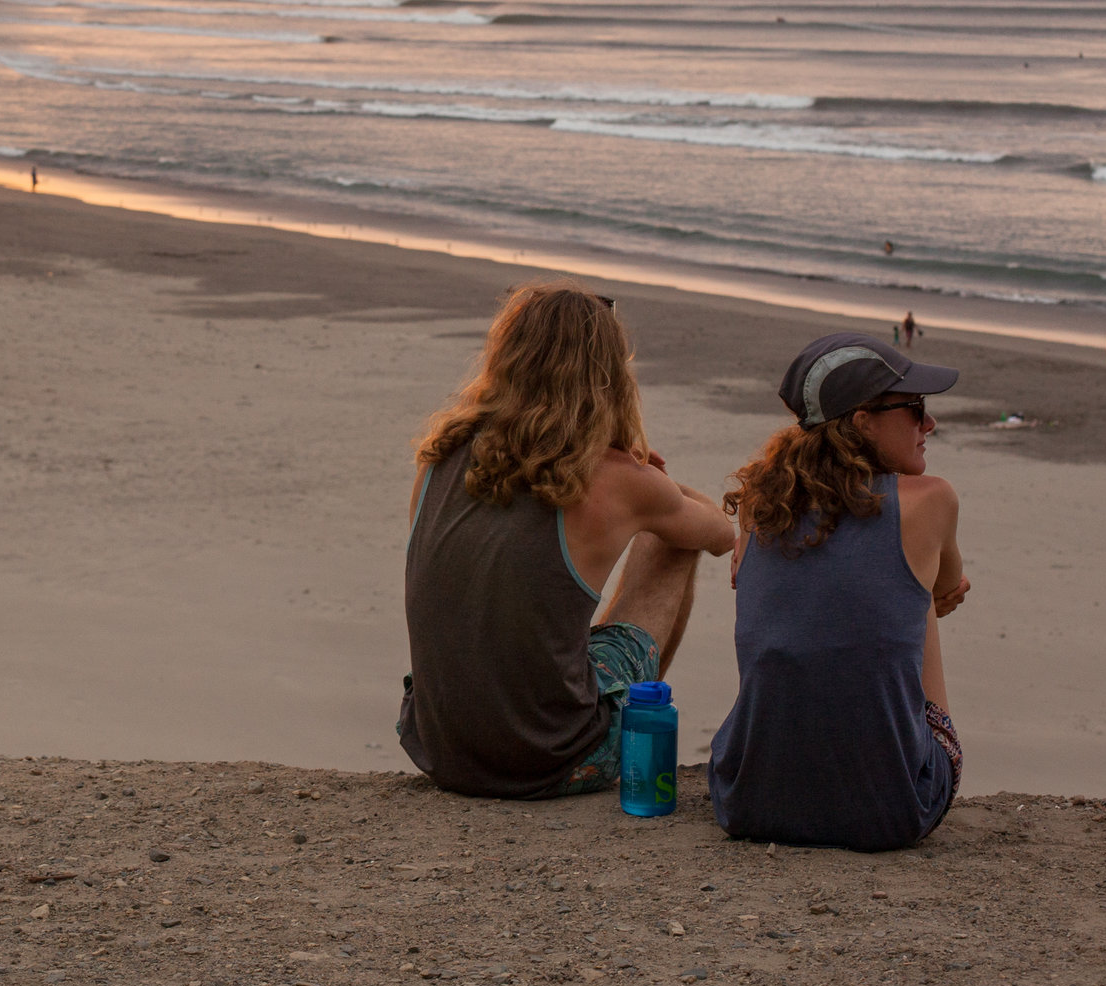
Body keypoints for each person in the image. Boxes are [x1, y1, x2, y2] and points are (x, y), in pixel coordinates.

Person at [398, 283, 734, 799]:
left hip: (440, 749)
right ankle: (630, 719)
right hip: (551, 760)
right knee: (672, 539)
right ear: (608, 374)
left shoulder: (440, 455)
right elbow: (718, 535)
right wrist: (658, 483)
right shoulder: (616, 478)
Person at [708, 333, 969, 851]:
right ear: (861, 422)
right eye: (914, 408)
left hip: (747, 802)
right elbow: (949, 589)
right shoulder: (931, 499)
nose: (929, 423)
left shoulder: (760, 499)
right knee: (915, 597)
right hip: (890, 812)